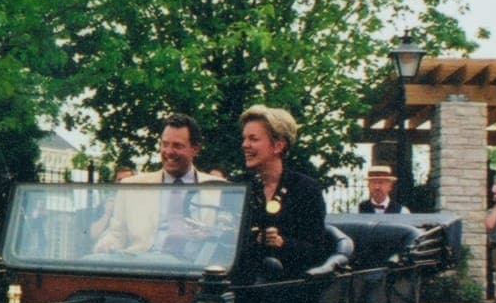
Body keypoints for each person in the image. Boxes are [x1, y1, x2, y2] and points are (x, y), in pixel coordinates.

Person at [94, 114, 223, 254]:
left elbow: (226, 241)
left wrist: (209, 235)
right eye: (165, 144)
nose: (168, 152)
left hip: (195, 270)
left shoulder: (220, 189)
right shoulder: (132, 187)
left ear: (195, 149)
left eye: (177, 146)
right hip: (145, 268)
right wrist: (106, 245)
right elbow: (115, 235)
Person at [238, 105, 330, 277]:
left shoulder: (306, 189)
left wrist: (282, 242)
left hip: (287, 290)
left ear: (278, 146)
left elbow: (318, 251)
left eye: (253, 139)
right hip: (240, 286)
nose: (245, 145)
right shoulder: (238, 186)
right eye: (244, 139)